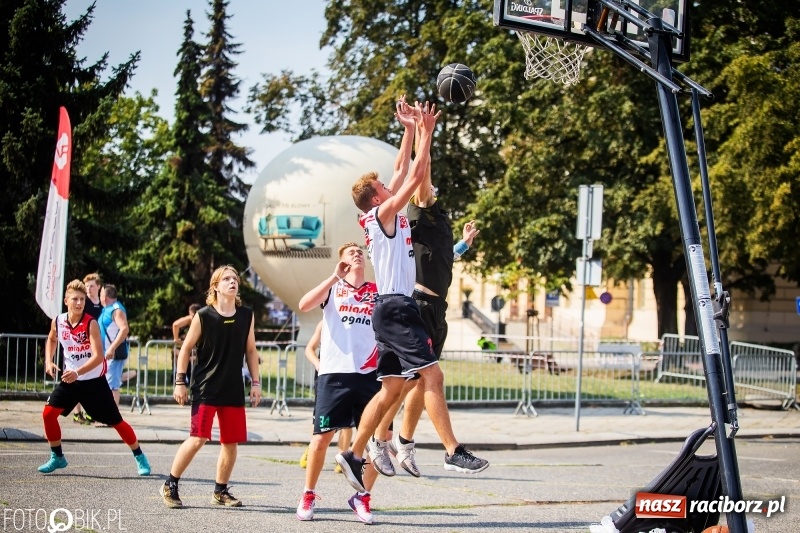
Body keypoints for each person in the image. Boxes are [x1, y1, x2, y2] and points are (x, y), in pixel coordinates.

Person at [335, 100, 488, 496]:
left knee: (389, 389)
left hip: (388, 309)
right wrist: (428, 130)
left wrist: (407, 129)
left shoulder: (379, 211)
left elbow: (403, 168)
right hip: (398, 307)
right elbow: (416, 172)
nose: (391, 183)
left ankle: (354, 453)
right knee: (432, 375)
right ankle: (453, 450)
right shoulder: (384, 212)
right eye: (383, 187)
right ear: (375, 199)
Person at [295, 242, 382, 524]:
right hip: (335, 374)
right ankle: (308, 494)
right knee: (321, 439)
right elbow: (304, 304)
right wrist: (335, 276)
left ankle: (362, 497)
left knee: (379, 443)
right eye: (350, 252)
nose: (357, 254)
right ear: (342, 261)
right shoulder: (333, 289)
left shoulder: (376, 292)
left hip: (370, 375)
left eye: (360, 252)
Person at [161, 265, 262, 509]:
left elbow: (250, 350)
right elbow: (185, 349)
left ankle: (220, 491)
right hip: (206, 388)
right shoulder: (204, 315)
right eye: (226, 278)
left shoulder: (246, 315)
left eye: (235, 278)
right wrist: (180, 381)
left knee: (230, 443)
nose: (232, 282)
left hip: (233, 389)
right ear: (215, 286)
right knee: (198, 438)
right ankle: (170, 484)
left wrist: (256, 383)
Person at [38, 279, 151, 476]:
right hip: (70, 381)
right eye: (75, 299)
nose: (80, 303)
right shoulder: (58, 321)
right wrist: (48, 361)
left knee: (116, 421)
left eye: (82, 299)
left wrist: (77, 372)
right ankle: (57, 457)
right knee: (48, 415)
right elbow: (52, 339)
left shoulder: (90, 323)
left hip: (92, 381)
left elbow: (98, 357)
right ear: (66, 301)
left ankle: (140, 456)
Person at [299, 320, 352, 474]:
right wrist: (317, 363)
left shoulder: (355, 318)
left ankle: (343, 456)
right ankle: (312, 448)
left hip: (348, 374)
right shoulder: (325, 322)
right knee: (321, 420)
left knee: (348, 422)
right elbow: (310, 349)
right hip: (326, 377)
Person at [71, 272, 104, 425]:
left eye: (91, 286)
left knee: (93, 380)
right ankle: (77, 413)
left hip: (96, 344)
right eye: (87, 287)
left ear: (98, 287)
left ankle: (91, 411)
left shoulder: (102, 304)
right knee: (78, 378)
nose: (89, 289)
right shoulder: (84, 303)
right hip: (82, 344)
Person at [98, 284, 129, 407]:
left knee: (112, 386)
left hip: (113, 355)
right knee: (107, 385)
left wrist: (112, 348)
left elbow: (124, 329)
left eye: (100, 294)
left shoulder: (116, 310)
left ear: (104, 297)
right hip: (107, 354)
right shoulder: (108, 309)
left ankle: (112, 416)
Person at [172, 303, 201, 386]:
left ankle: (191, 377)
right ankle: (182, 377)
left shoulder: (201, 320)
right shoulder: (189, 320)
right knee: (179, 354)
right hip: (186, 347)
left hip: (195, 348)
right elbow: (175, 325)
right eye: (192, 316)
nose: (194, 318)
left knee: (193, 357)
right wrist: (176, 339)